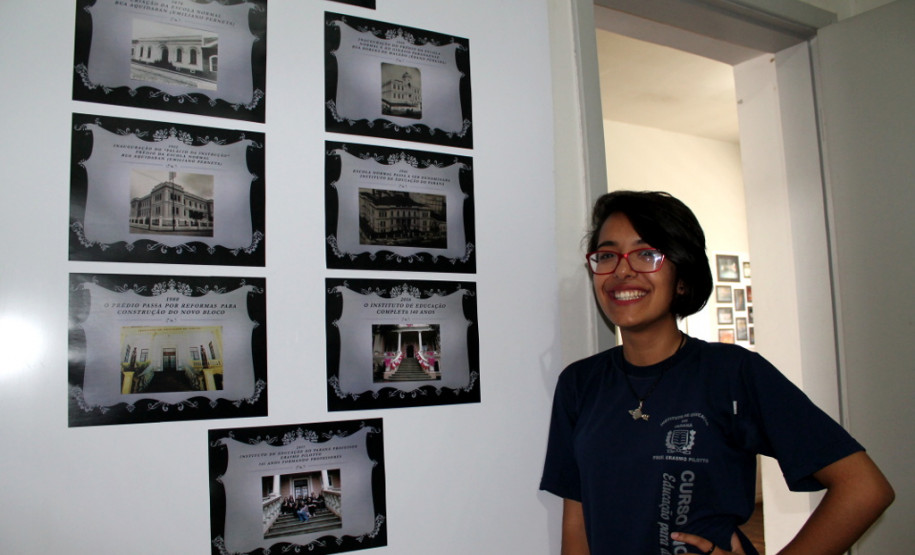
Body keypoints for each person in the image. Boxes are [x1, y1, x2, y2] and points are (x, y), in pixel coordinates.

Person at [540, 191, 894, 554]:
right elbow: (576, 518)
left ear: (682, 278)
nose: (623, 270)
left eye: (647, 254)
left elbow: (864, 488)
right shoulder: (580, 383)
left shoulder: (732, 373)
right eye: (607, 255)